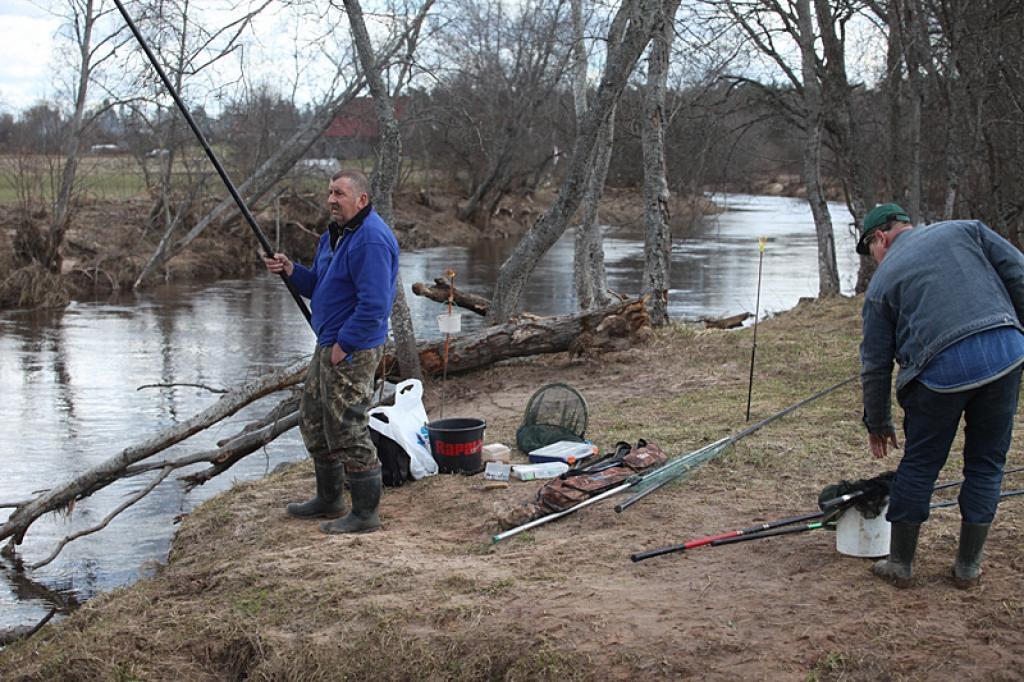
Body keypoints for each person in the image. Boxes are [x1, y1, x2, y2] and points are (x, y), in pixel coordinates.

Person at [857, 203, 1024, 588]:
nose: (875, 263)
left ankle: (900, 565)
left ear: (880, 238)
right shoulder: (967, 229)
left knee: (920, 464)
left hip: (941, 373)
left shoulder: (881, 287)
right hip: (1006, 355)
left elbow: (875, 364)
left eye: (872, 255)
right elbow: (1017, 273)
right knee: (987, 464)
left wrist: (878, 423)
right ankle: (968, 568)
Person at [264, 169, 399, 535]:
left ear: (361, 200)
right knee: (312, 418)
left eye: (339, 193)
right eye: (329, 193)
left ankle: (365, 513)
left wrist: (344, 345)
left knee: (347, 426)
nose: (331, 200)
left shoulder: (370, 240)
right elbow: (321, 286)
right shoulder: (333, 236)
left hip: (351, 348)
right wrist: (292, 271)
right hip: (328, 343)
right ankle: (330, 498)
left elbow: (374, 305)